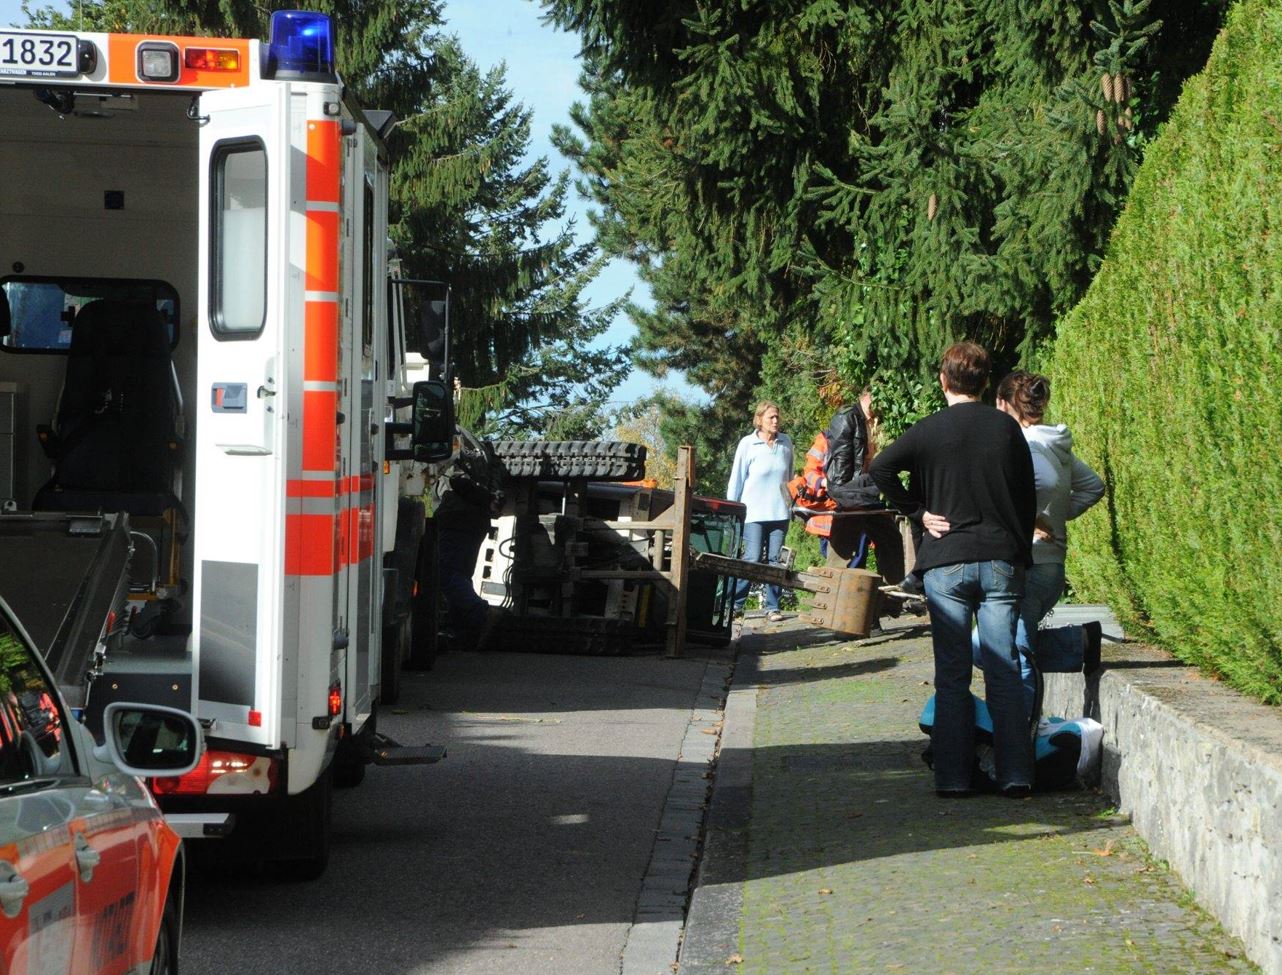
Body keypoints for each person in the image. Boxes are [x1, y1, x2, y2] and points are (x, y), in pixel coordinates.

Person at [869, 342, 1036, 797]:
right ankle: (1016, 774)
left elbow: (880, 468)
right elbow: (1026, 497)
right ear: (985, 382)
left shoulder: (928, 430)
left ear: (943, 381)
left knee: (952, 673)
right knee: (1004, 668)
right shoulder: (1006, 428)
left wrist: (918, 512)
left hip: (946, 563)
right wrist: (1020, 552)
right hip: (1000, 560)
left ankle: (953, 777)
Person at [994, 370, 1106, 706]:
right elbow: (1093, 486)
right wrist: (1057, 512)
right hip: (1052, 567)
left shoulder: (1025, 447)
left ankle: (1023, 731)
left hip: (1030, 565)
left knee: (1017, 656)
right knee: (992, 647)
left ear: (1003, 404)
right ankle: (1080, 642)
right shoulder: (1055, 443)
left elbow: (1031, 487)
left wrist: (1036, 519)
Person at [791, 389, 908, 583]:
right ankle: (831, 594)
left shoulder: (878, 424)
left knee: (890, 542)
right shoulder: (842, 423)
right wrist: (833, 488)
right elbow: (818, 470)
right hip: (849, 498)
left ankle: (889, 593)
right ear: (866, 396)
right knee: (843, 554)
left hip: (869, 495)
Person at [434, 426, 505, 650]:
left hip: (456, 518)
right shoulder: (481, 447)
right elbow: (495, 478)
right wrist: (491, 501)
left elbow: (459, 481)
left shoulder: (453, 438)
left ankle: (482, 614)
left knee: (445, 573)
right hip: (476, 521)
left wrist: (486, 500)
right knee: (461, 576)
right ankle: (464, 633)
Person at [726, 401, 794, 621]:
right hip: (753, 514)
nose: (775, 421)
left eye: (777, 417)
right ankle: (735, 605)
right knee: (752, 559)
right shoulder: (747, 443)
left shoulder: (786, 442)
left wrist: (793, 506)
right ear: (759, 420)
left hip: (780, 513)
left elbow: (790, 478)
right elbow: (736, 479)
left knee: (776, 561)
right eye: (770, 417)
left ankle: (773, 607)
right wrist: (731, 509)